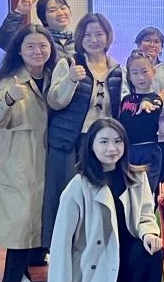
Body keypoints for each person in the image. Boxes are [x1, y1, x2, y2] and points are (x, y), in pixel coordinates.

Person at [48, 119, 164, 282]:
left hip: (128, 256)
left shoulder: (137, 177)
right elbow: (61, 239)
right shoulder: (78, 186)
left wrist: (149, 234)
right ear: (91, 145)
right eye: (104, 142)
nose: (112, 148)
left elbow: (145, 215)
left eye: (118, 141)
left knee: (152, 252)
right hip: (96, 262)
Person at [0, 24, 58, 282]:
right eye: (30, 46)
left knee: (37, 209)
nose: (38, 51)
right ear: (19, 50)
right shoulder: (9, 81)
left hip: (41, 152)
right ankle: (13, 276)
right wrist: (9, 99)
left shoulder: (52, 76)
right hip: (15, 155)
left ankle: (33, 260)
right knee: (21, 215)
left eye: (43, 46)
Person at [44, 13, 123, 249]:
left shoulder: (116, 69)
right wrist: (70, 80)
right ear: (79, 37)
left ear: (108, 36)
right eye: (87, 34)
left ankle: (94, 247)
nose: (93, 39)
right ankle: (61, 249)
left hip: (101, 143)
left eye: (99, 34)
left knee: (98, 194)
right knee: (66, 195)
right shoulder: (68, 63)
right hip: (70, 140)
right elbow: (54, 101)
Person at [130, 27, 164, 193]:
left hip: (163, 135)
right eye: (147, 40)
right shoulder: (127, 68)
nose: (152, 44)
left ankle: (162, 211)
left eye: (156, 42)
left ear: (162, 47)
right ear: (139, 43)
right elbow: (128, 102)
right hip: (136, 138)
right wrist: (158, 100)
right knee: (137, 184)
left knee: (162, 183)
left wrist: (151, 108)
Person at [119, 51, 164, 199]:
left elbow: (152, 102)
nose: (140, 77)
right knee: (126, 195)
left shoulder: (156, 99)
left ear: (153, 72)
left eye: (145, 71)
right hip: (126, 152)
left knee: (145, 196)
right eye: (135, 73)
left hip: (148, 152)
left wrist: (145, 103)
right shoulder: (125, 99)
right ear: (129, 76)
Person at [0, 0, 76, 58]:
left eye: (63, 8)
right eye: (52, 10)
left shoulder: (79, 39)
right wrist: (19, 12)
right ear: (43, 18)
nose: (60, 13)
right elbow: (5, 41)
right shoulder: (37, 39)